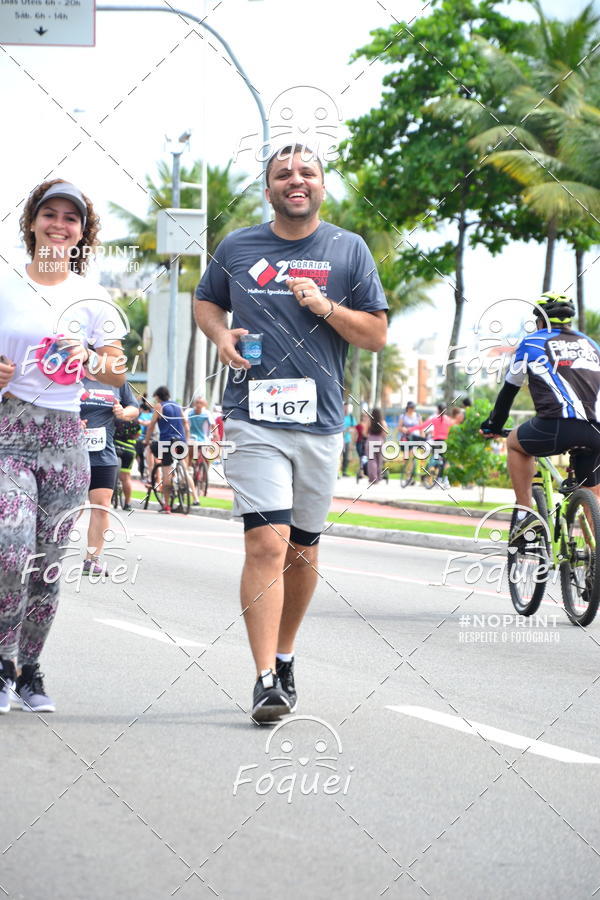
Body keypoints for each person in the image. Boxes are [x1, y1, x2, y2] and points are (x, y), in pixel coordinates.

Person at [194, 143, 388, 724]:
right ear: (269, 187)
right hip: (254, 417)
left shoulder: (348, 250)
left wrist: (327, 307)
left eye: (306, 173)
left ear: (322, 186)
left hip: (322, 421)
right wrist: (221, 337)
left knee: (303, 549)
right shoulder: (238, 246)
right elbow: (206, 300)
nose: (295, 180)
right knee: (266, 543)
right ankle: (262, 681)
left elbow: (376, 335)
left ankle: (285, 655)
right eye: (283, 174)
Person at [0, 178, 127, 712]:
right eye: (49, 215)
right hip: (9, 430)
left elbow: (117, 372)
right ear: (32, 223)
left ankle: (29, 672)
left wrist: (90, 358)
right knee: (11, 546)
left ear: (82, 233)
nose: (58, 225)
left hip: (66, 438)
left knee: (48, 564)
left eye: (70, 219)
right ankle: (1, 662)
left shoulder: (93, 297)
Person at [481, 292, 600, 537]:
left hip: (556, 427)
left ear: (541, 321)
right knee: (593, 500)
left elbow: (509, 391)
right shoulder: (591, 345)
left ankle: (525, 514)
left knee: (515, 444)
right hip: (596, 430)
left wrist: (493, 425)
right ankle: (593, 562)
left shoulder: (532, 342)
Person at [80, 377, 138, 573]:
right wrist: (71, 421)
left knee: (102, 507)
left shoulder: (116, 380)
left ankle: (92, 560)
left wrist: (123, 412)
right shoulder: (73, 374)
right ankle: (51, 554)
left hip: (104, 454)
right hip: (73, 454)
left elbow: (134, 408)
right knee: (72, 507)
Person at [144, 386, 190, 514]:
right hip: (181, 442)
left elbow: (152, 425)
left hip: (167, 442)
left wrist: (146, 441)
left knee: (165, 469)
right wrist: (186, 439)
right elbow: (186, 424)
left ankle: (166, 505)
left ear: (158, 397)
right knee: (181, 463)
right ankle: (181, 481)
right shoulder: (177, 406)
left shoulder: (160, 407)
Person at [114, 410, 141, 511]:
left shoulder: (114, 418)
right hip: (129, 450)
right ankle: (128, 503)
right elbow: (137, 435)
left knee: (107, 472)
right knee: (126, 478)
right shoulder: (135, 422)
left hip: (114, 446)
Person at [366, 407, 387, 484]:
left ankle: (373, 477)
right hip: (380, 441)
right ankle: (379, 477)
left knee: (372, 460)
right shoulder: (383, 422)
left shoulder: (369, 421)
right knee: (379, 460)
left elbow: (365, 432)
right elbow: (385, 434)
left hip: (370, 441)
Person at [340, 401, 356, 476]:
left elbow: (354, 429)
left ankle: (344, 471)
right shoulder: (339, 416)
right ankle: (336, 472)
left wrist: (353, 442)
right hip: (339, 439)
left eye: (347, 408)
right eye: (345, 407)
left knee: (346, 457)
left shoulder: (351, 417)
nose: (346, 409)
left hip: (347, 440)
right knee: (338, 456)